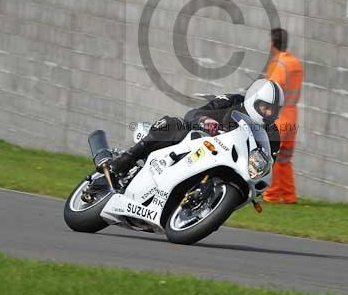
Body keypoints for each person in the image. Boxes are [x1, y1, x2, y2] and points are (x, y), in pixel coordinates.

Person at [108, 78, 284, 176]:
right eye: (265, 107)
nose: (268, 113)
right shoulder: (233, 101)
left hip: (228, 164)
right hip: (199, 144)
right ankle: (128, 157)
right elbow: (194, 114)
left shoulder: (272, 134)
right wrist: (206, 120)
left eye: (272, 110)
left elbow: (267, 163)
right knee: (175, 124)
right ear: (254, 100)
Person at [262, 28, 303, 204]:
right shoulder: (295, 63)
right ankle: (288, 195)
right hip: (293, 115)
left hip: (280, 116)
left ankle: (271, 195)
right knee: (285, 158)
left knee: (271, 156)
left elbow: (273, 90)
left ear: (272, 44)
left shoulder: (279, 64)